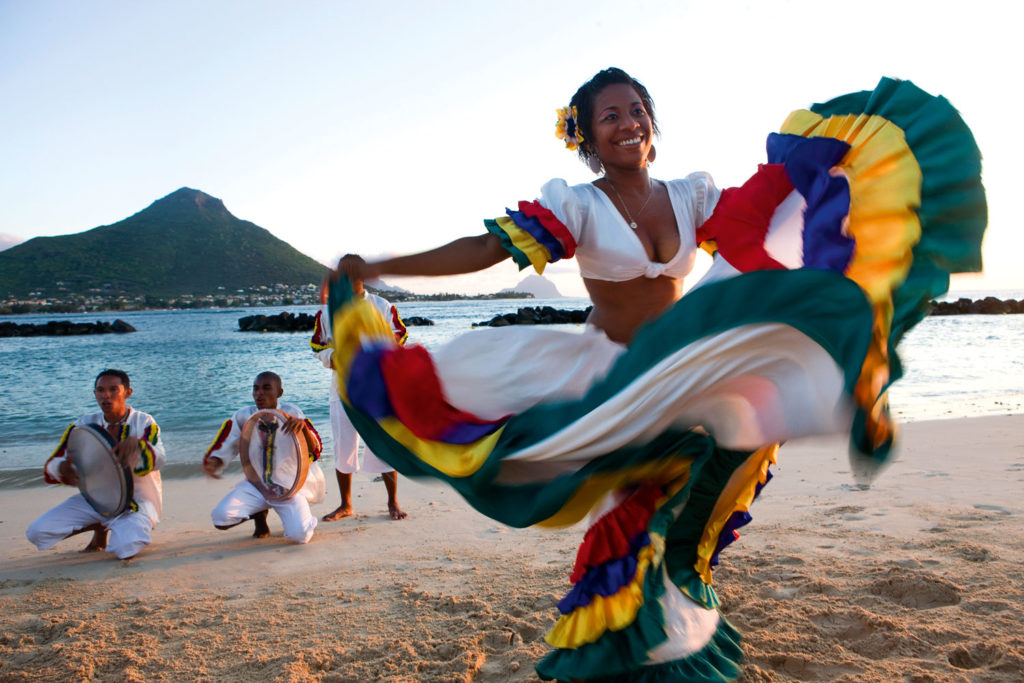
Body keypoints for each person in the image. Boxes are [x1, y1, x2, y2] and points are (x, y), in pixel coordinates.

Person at [329, 68, 986, 681]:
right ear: (587, 133)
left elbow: (752, 223)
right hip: (604, 375)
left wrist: (818, 175)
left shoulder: (688, 195)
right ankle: (637, 650)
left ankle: (659, 634)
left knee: (698, 486)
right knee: (629, 507)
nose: (628, 122)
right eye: (609, 114)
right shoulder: (579, 206)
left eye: (637, 109)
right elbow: (488, 249)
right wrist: (386, 267)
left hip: (681, 369)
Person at [26, 369, 165, 560]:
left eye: (113, 389)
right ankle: (101, 526)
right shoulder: (83, 425)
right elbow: (53, 463)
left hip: (137, 502)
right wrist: (62, 468)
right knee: (36, 532)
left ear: (128, 392)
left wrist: (139, 448)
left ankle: (111, 527)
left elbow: (159, 458)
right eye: (100, 390)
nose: (106, 396)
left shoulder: (144, 422)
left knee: (126, 548)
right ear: (95, 394)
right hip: (95, 500)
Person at [311, 271, 409, 521]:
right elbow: (317, 345)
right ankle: (346, 504)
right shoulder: (327, 311)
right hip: (342, 388)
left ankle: (393, 502)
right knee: (344, 446)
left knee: (383, 444)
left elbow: (400, 335)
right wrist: (331, 358)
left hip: (377, 387)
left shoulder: (381, 305)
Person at [202, 371, 326, 544]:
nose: (259, 393)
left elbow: (316, 449)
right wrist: (215, 461)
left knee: (301, 536)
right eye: (256, 389)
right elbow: (227, 441)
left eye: (266, 388)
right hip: (256, 485)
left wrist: (303, 427)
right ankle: (259, 516)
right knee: (221, 519)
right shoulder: (243, 416)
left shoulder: (292, 413)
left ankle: (297, 515)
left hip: (288, 487)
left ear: (279, 393)